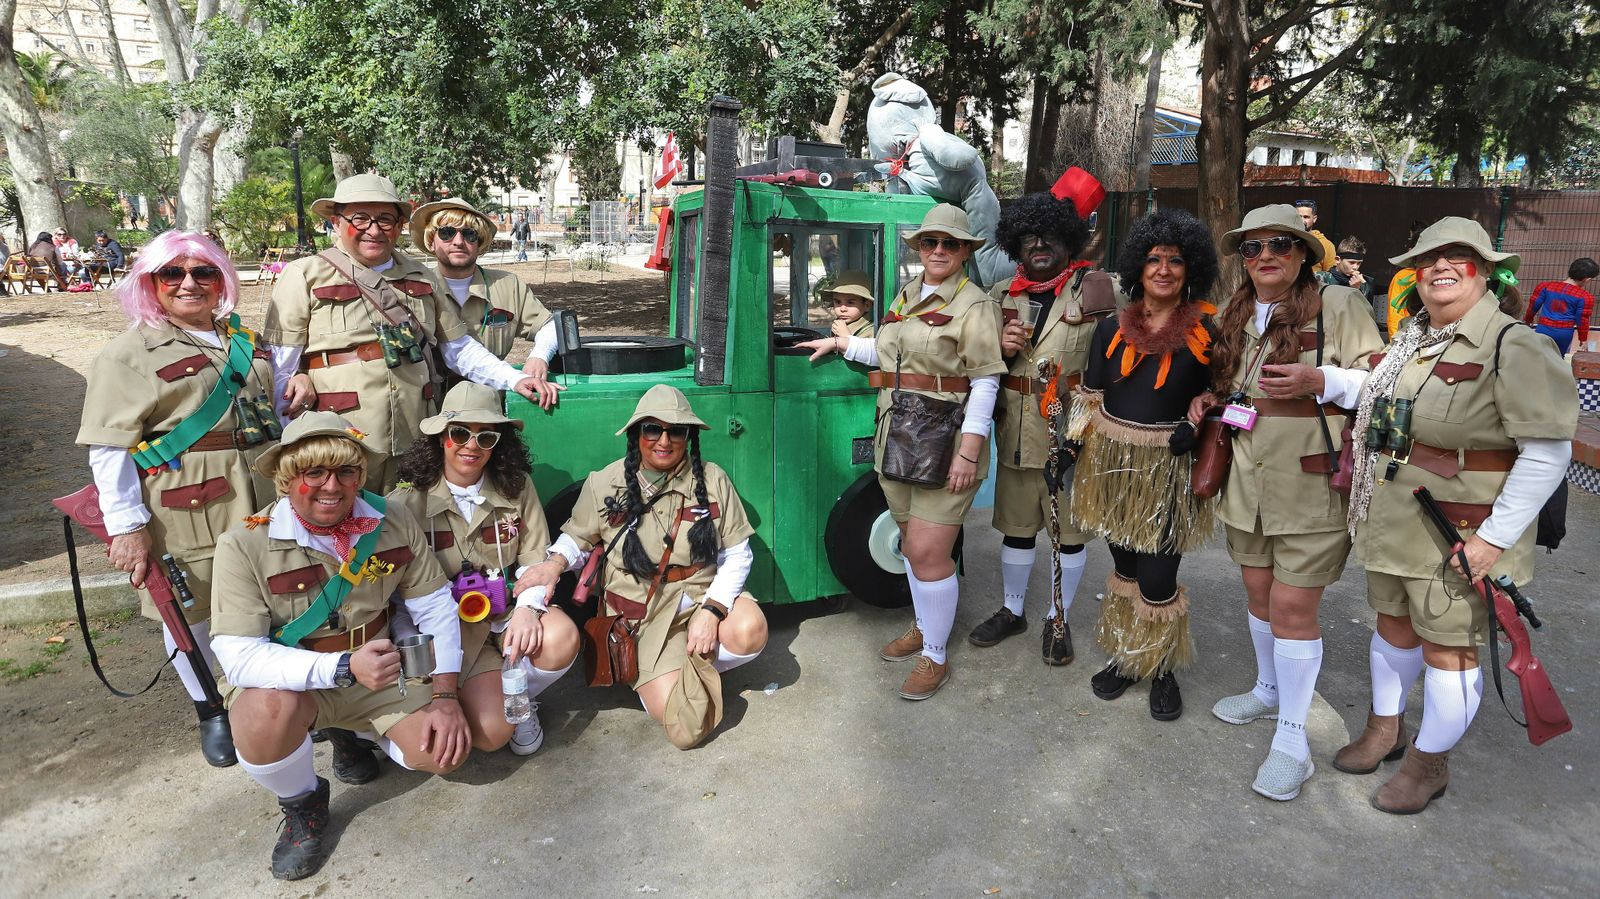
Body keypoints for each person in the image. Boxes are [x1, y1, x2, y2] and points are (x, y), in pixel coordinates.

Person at [1337, 217, 1575, 814]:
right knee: (1391, 629)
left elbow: (1548, 453)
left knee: (1450, 651)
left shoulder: (1513, 344)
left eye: (1458, 258)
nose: (1439, 268)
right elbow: (1383, 404)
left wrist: (1493, 542)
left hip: (1462, 537)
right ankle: (1383, 730)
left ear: (1487, 270)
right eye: (1427, 260)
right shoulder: (1413, 341)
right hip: (1399, 523)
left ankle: (1428, 763)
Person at [210, 412, 469, 880]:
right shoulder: (242, 543)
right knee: (261, 716)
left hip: (380, 670)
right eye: (315, 473)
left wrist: (447, 697)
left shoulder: (393, 520)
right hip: (297, 682)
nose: (332, 486)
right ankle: (303, 802)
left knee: (443, 755)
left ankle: (351, 731)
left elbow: (434, 610)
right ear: (288, 479)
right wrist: (343, 667)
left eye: (346, 472)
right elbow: (240, 656)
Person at [1201, 203, 1384, 801]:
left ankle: (1292, 741)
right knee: (1259, 595)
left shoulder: (1339, 305)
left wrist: (1321, 381)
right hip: (1247, 481)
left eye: (1280, 243)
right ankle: (1268, 688)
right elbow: (1233, 387)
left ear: (1304, 251)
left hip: (1311, 481)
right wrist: (1211, 402)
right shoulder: (1236, 312)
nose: (1265, 256)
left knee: (1293, 608)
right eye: (1252, 247)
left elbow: (1384, 383)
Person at [75, 229, 278, 768]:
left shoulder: (246, 340)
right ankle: (211, 707)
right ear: (150, 283)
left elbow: (265, 409)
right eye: (173, 274)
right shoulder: (127, 354)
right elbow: (108, 447)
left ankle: (271, 694)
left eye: (204, 272)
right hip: (187, 504)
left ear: (222, 280)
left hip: (261, 491)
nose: (189, 284)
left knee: (268, 593)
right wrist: (126, 525)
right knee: (189, 611)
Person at [799, 204, 1006, 700]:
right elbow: (890, 357)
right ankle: (924, 624)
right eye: (930, 243)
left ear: (963, 252)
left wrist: (969, 452)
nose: (938, 251)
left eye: (949, 244)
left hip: (946, 442)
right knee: (911, 545)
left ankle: (935, 655)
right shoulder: (909, 296)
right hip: (898, 439)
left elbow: (985, 380)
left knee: (928, 551)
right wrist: (840, 344)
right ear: (920, 248)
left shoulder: (975, 306)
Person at [514, 386, 769, 748]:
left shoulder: (712, 480)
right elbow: (577, 538)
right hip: (642, 612)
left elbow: (738, 553)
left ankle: (688, 661)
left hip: (699, 593)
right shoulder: (605, 481)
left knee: (750, 629)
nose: (663, 440)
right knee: (681, 724)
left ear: (688, 436)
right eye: (652, 429)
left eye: (675, 430)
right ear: (637, 434)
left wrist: (712, 611)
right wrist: (554, 564)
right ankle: (677, 666)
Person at [262, 174, 551, 490]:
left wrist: (515, 379)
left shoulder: (422, 276)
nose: (374, 230)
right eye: (360, 219)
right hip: (342, 442)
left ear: (399, 225)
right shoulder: (305, 275)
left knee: (410, 527)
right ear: (336, 222)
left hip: (414, 435)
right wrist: (289, 440)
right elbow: (280, 367)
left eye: (385, 220)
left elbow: (458, 348)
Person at [1069, 209, 1219, 719]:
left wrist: (1197, 422)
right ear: (1138, 266)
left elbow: (1227, 396)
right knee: (1126, 568)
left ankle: (1162, 667)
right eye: (1153, 259)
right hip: (1111, 464)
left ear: (1189, 269)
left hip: (1169, 469)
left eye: (1175, 261)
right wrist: (1068, 448)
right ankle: (1128, 657)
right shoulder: (1110, 326)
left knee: (1158, 579)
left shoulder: (1209, 331)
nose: (1163, 269)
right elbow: (1090, 396)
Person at [389, 383, 579, 756]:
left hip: (506, 612)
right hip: (449, 629)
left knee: (559, 637)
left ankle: (519, 696)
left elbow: (533, 558)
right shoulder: (406, 503)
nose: (471, 446)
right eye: (460, 433)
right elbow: (396, 593)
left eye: (486, 437)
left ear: (498, 444)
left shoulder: (517, 488)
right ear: (440, 438)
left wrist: (527, 610)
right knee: (491, 735)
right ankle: (483, 698)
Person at [967, 169, 1105, 664]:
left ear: (1068, 240)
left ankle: (1058, 616)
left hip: (1073, 436)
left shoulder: (1096, 290)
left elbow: (1118, 358)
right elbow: (971, 362)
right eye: (1028, 238)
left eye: (1049, 236)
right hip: (1017, 434)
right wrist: (996, 348)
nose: (1039, 245)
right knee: (1017, 527)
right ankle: (1013, 609)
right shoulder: (1002, 295)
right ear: (1016, 245)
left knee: (1067, 535)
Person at [408, 197, 561, 404]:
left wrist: (539, 355)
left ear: (480, 243)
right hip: (433, 406)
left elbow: (549, 325)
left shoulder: (507, 285)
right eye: (446, 233)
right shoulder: (415, 289)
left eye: (470, 234)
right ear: (431, 241)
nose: (458, 241)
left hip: (491, 405)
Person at [1523, 257, 1597, 355]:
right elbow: (1582, 320)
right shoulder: (1585, 297)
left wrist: (1528, 320)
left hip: (1543, 329)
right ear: (1587, 280)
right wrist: (1583, 339)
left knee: (1538, 356)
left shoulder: (1545, 286)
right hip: (1564, 333)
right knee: (1558, 359)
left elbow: (1534, 305)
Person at [1317, 236, 1376, 329]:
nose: (1355, 267)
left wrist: (1356, 291)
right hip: (1324, 329)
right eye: (1351, 262)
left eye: (1359, 263)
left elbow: (1365, 315)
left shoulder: (1364, 283)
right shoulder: (1321, 278)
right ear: (1337, 260)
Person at [826, 270, 877, 338]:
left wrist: (847, 337)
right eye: (838, 302)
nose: (842, 309)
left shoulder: (870, 332)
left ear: (867, 305)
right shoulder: (837, 324)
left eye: (850, 302)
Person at [1292, 200, 1337, 274]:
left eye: (1306, 217)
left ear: (1314, 219)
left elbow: (1331, 277)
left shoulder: (1326, 245)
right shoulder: (1287, 239)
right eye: (1299, 217)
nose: (1302, 221)